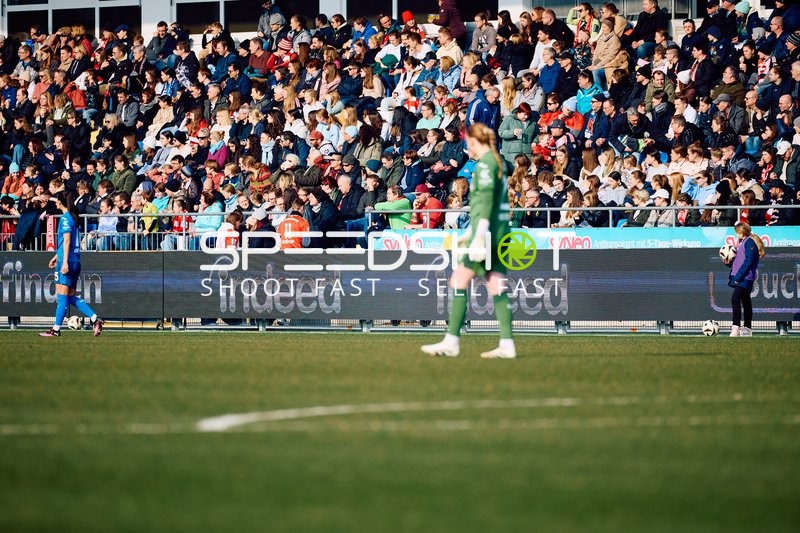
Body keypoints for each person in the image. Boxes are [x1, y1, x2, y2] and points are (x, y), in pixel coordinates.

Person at [421, 123, 516, 360]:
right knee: (496, 286)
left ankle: (452, 340)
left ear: (475, 142)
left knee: (458, 279)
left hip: (488, 234)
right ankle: (507, 343)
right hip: (500, 233)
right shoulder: (498, 163)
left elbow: (484, 203)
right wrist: (471, 232)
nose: (466, 149)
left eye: (468, 144)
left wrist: (478, 234)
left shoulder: (485, 165)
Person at [39, 191, 104, 337]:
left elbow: (67, 240)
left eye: (56, 200)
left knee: (62, 297)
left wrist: (64, 262)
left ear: (61, 202)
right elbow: (67, 242)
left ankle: (55, 329)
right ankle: (95, 319)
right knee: (70, 296)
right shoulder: (74, 218)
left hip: (67, 260)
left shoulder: (65, 218)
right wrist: (56, 256)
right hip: (75, 260)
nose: (55, 203)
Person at [724, 222, 765, 337]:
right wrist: (728, 263)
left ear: (741, 233)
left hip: (745, 277)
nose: (736, 235)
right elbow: (739, 261)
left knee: (735, 299)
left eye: (737, 233)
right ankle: (747, 328)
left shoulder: (749, 242)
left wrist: (738, 277)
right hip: (741, 276)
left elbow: (748, 262)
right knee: (746, 301)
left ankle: (736, 327)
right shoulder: (742, 243)